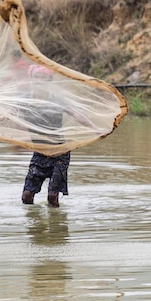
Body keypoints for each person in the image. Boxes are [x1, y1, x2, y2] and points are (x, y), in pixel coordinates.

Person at [20, 65, 92, 208]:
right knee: (26, 196)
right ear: (31, 80)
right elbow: (10, 110)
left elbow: (76, 114)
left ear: (49, 81)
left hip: (60, 152)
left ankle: (57, 227)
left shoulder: (57, 100)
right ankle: (35, 227)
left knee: (52, 197)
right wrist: (2, 117)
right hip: (40, 151)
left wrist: (96, 128)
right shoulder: (25, 100)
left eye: (44, 78)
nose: (40, 81)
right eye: (37, 77)